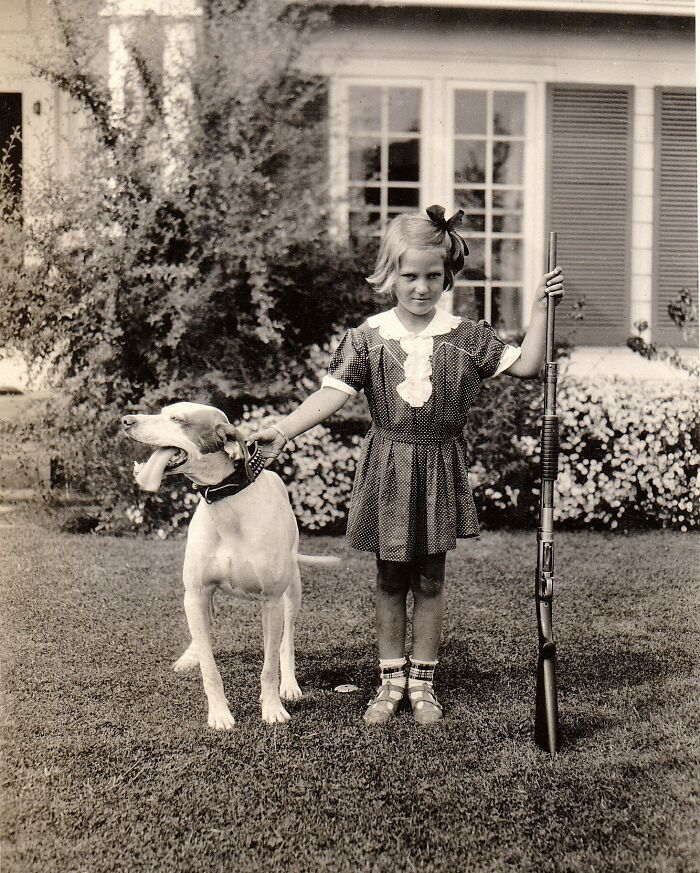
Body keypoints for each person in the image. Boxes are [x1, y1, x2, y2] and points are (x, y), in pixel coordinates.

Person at [251, 205, 564, 725]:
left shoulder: (466, 334)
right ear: (389, 275)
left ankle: (423, 682)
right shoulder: (369, 336)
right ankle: (390, 679)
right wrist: (283, 430)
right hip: (389, 465)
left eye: (432, 276)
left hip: (439, 464)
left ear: (447, 276)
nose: (420, 288)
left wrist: (538, 306)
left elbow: (530, 367)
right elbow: (330, 396)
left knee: (432, 579)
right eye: (409, 275)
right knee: (391, 577)